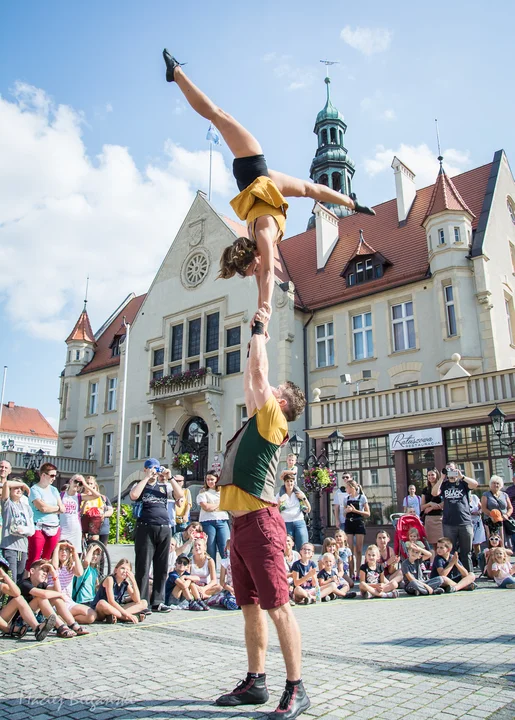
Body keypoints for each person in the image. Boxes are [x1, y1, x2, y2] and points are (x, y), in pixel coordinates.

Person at [163, 51, 375, 321]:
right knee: (309, 190)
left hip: (252, 168)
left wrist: (263, 310)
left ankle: (177, 74)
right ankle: (177, 75)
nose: (257, 273)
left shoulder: (262, 234)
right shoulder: (257, 238)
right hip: (263, 183)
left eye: (251, 270)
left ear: (253, 259)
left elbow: (264, 275)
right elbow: (314, 191)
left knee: (217, 115)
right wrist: (352, 203)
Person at [216, 301, 309, 719]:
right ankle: (256, 682)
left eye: (274, 391)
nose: (264, 391)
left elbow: (256, 375)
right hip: (240, 526)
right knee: (251, 606)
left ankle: (297, 688)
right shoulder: (258, 418)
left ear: (281, 403)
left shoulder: (275, 421)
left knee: (277, 606)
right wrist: (257, 341)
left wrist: (259, 327)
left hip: (261, 523)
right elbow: (251, 377)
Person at [130, 458, 184, 613]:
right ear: (145, 469)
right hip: (145, 527)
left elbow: (180, 495)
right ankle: (142, 602)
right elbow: (134, 495)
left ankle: (158, 601)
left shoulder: (164, 486)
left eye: (156, 468)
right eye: (151, 468)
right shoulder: (139, 484)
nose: (154, 471)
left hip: (164, 528)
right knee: (143, 566)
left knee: (162, 566)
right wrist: (147, 477)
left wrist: (171, 477)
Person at [431, 462, 478, 572]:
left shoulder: (463, 483)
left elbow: (475, 484)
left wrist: (461, 476)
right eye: (447, 470)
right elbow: (434, 493)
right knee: (450, 552)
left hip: (465, 522)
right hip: (449, 523)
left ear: (456, 469)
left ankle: (468, 576)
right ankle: (453, 575)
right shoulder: (445, 484)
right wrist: (442, 477)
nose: (450, 471)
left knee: (466, 552)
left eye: (451, 469)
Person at [20, 559, 81, 638]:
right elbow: (44, 595)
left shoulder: (42, 584)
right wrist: (59, 594)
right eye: (42, 570)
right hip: (22, 619)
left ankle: (73, 624)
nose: (45, 573)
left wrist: (53, 573)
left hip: (36, 615)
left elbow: (57, 590)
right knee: (40, 598)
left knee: (57, 599)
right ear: (32, 571)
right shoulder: (24, 583)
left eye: (47, 571)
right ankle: (60, 627)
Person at [0, 557, 56, 641]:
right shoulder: (25, 583)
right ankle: (10, 629)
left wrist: (5, 576)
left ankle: (37, 628)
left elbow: (17, 593)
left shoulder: (1, 585)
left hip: (3, 618)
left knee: (19, 599)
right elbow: (45, 594)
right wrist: (61, 594)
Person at [27, 463, 65, 571]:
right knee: (34, 559)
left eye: (55, 476)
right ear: (43, 475)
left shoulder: (54, 490)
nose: (54, 478)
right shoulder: (34, 489)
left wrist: (51, 508)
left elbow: (62, 508)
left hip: (54, 526)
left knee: (47, 559)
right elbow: (42, 508)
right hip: (39, 526)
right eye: (51, 475)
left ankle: (43, 583)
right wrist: (56, 508)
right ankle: (28, 584)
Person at [50, 540, 95, 629]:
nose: (63, 552)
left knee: (91, 615)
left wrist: (74, 553)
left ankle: (65, 619)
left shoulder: (71, 566)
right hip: (55, 601)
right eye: (61, 549)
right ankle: (64, 619)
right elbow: (54, 567)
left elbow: (80, 573)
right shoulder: (50, 563)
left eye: (66, 550)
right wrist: (57, 546)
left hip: (68, 602)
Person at [91, 558, 148, 623]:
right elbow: (111, 601)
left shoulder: (125, 583)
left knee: (143, 602)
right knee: (102, 603)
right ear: (116, 570)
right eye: (122, 568)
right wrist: (128, 615)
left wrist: (134, 582)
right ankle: (125, 618)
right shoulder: (110, 579)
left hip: (115, 609)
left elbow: (137, 600)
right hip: (101, 609)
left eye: (127, 570)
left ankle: (116, 616)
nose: (125, 571)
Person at [1, 478, 34, 584]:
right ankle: (7, 600)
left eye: (21, 489)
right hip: (9, 546)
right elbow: (6, 484)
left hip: (23, 547)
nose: (19, 490)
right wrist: (24, 484)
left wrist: (24, 530)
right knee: (11, 579)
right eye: (16, 488)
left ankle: (15, 600)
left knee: (19, 579)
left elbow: (31, 528)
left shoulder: (26, 508)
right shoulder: (8, 504)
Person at [197, 472, 230, 561]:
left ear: (217, 480)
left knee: (225, 548)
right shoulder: (203, 492)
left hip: (222, 520)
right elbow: (206, 507)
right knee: (210, 549)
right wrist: (220, 504)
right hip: (208, 522)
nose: (209, 482)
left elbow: (228, 504)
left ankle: (227, 572)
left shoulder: (222, 492)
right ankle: (212, 572)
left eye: (212, 479)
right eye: (207, 479)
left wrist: (214, 505)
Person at [342, 479, 370, 578]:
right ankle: (351, 572)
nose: (346, 489)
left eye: (347, 487)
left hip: (359, 523)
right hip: (349, 523)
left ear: (352, 488)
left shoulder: (362, 498)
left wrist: (356, 510)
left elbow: (367, 514)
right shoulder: (346, 498)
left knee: (358, 549)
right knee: (349, 549)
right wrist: (346, 511)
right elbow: (344, 514)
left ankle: (358, 571)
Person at [276, 472, 310, 551]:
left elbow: (308, 509)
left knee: (303, 546)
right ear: (284, 483)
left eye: (291, 481)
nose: (289, 483)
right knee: (287, 548)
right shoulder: (280, 495)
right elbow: (276, 512)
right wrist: (279, 502)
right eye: (287, 481)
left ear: (294, 482)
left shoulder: (299, 493)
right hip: (286, 523)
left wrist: (303, 498)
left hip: (299, 522)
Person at [481, 476, 513, 547]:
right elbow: (483, 508)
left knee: (504, 542)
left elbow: (510, 508)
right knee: (492, 542)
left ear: (501, 485)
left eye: (498, 483)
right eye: (494, 483)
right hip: (490, 523)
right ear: (490, 484)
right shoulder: (486, 495)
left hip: (503, 522)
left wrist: (507, 515)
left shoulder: (505, 495)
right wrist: (494, 516)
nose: (496, 485)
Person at [80, 476, 113, 542]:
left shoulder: (99, 497)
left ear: (94, 485)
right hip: (85, 523)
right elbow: (81, 512)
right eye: (87, 483)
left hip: (98, 523)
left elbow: (103, 509)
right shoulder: (80, 496)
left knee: (98, 544)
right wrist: (86, 501)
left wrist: (102, 514)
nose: (89, 485)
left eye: (91, 483)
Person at [190, 535, 222, 600]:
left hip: (205, 587)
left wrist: (203, 588)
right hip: (193, 586)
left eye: (199, 545)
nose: (197, 547)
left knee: (219, 587)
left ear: (204, 548)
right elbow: (187, 578)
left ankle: (201, 596)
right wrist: (197, 588)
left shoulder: (210, 561)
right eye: (195, 545)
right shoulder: (190, 560)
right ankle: (204, 597)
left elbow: (214, 580)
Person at [420, 469, 444, 551]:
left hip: (440, 518)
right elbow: (422, 507)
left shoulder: (442, 488)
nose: (430, 477)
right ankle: (435, 561)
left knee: (441, 542)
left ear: (437, 475)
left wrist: (433, 507)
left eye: (432, 475)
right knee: (433, 544)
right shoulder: (425, 489)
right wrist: (430, 504)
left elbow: (444, 503)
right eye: (428, 475)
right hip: (429, 519)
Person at [218, 539, 239, 610]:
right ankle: (221, 599)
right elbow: (221, 582)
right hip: (230, 589)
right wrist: (231, 589)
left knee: (247, 604)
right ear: (227, 548)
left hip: (241, 589)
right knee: (233, 605)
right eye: (230, 546)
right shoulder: (225, 562)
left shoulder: (242, 561)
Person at [470, 492, 486, 566]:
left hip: (477, 522)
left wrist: (479, 511)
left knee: (477, 543)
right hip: (467, 522)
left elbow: (481, 507)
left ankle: (479, 562)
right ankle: (470, 561)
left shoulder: (474, 497)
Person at [0, 459, 11, 536]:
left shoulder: (11, 487)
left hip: (6, 520)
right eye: (1, 467)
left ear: (10, 471)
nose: (3, 469)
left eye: (6, 467)